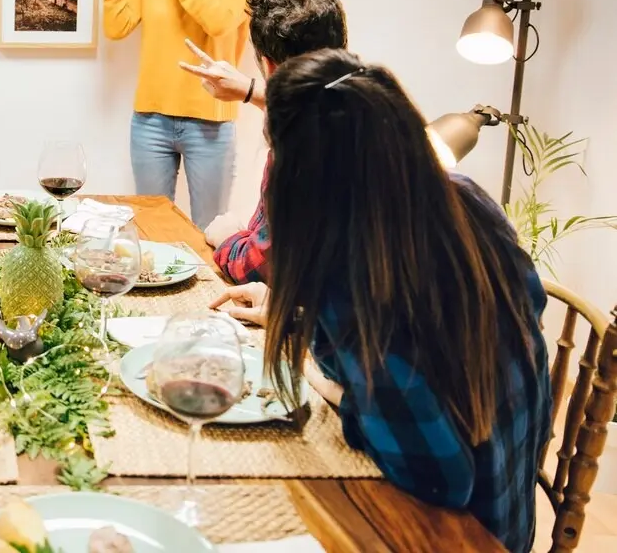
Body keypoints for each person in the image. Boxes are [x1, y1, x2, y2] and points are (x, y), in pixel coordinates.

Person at [211, 49, 550, 553]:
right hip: (511, 508)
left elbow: (438, 477)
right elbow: (477, 332)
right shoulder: (463, 199)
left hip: (455, 533)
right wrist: (298, 315)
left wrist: (328, 382)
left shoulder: (355, 279)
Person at [104, 0, 260, 229]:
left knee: (210, 231)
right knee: (153, 227)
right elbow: (117, 26)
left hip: (211, 123)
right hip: (149, 123)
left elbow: (218, 20)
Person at [181, 0, 349, 282]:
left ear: (268, 65)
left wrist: (228, 238)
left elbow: (261, 267)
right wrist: (249, 90)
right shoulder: (379, 107)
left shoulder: (299, 142)